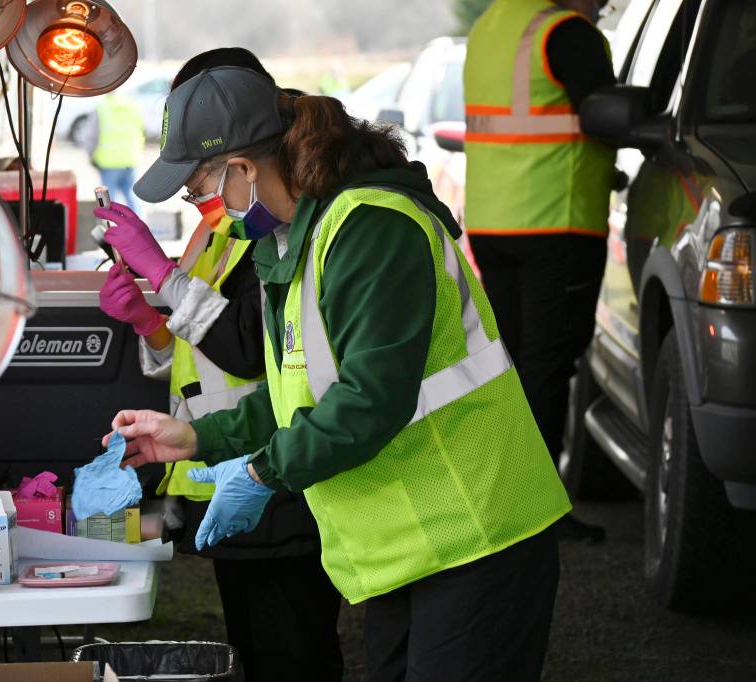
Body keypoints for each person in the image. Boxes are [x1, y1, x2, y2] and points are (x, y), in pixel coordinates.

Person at [105, 65, 572, 681]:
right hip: (410, 550)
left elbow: (369, 401)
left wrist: (261, 470)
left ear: (243, 170)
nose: (203, 206)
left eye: (198, 188)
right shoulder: (298, 240)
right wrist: (197, 437)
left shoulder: (370, 227)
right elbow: (297, 392)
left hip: (478, 534)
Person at [94, 50, 343, 682]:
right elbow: (198, 356)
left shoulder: (284, 227)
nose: (194, 194)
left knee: (295, 651)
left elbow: (250, 348)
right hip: (226, 472)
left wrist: (160, 273)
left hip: (278, 478)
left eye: (196, 178)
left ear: (237, 160)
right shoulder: (215, 226)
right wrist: (149, 322)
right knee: (253, 649)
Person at [463, 0, 616, 541]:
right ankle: (539, 512)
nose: (599, 6)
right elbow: (607, 118)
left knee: (512, 363)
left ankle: (506, 501)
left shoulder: (490, 27)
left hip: (493, 218)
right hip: (556, 219)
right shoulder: (566, 33)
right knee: (548, 365)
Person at [89, 91, 146, 215]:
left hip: (108, 161)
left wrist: (91, 155)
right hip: (130, 159)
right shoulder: (132, 105)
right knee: (131, 194)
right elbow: (142, 129)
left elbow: (91, 135)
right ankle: (139, 226)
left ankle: (107, 226)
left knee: (106, 198)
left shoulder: (102, 107)